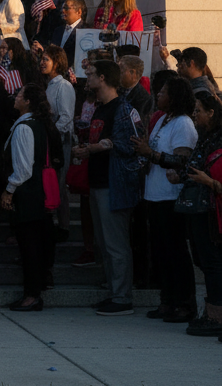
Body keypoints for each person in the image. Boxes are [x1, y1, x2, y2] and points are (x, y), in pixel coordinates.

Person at [73, 60, 142, 316]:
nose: (86, 78)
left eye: (90, 74)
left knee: (116, 244)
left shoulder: (123, 109)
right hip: (98, 182)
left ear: (102, 78)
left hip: (114, 185)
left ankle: (122, 298)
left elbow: (132, 144)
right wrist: (87, 148)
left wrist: (96, 147)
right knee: (104, 243)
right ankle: (114, 292)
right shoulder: (101, 109)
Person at [152, 91, 222, 337]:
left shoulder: (219, 139)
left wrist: (208, 181)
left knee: (212, 264)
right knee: (203, 261)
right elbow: (194, 163)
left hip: (214, 212)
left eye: (199, 111)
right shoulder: (206, 137)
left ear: (212, 113)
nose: (195, 115)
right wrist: (181, 175)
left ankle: (215, 317)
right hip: (200, 210)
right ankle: (211, 313)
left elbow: (209, 174)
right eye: (194, 110)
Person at [130, 75, 198, 323]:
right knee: (161, 252)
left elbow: (182, 160)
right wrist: (145, 152)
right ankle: (167, 300)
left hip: (172, 198)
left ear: (176, 97)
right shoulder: (162, 121)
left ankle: (185, 303)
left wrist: (153, 155)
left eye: (163, 92)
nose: (157, 95)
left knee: (176, 251)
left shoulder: (183, 124)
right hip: (154, 195)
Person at [1, 82, 61, 313]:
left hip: (29, 195)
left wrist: (9, 190)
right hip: (36, 194)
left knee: (30, 247)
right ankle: (34, 290)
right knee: (35, 245)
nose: (15, 97)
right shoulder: (35, 124)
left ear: (27, 102)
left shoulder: (26, 127)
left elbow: (24, 169)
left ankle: (32, 295)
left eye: (19, 95)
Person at [40, 45, 76, 239]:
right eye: (42, 59)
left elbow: (66, 118)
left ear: (57, 62)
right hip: (50, 140)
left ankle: (63, 226)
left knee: (59, 183)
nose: (42, 62)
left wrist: (50, 134)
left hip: (60, 141)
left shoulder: (64, 86)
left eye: (46, 59)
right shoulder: (48, 84)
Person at [48, 0, 86, 70]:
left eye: (66, 8)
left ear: (78, 12)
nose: (62, 11)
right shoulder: (58, 30)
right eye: (62, 8)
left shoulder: (85, 31)